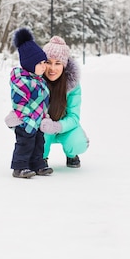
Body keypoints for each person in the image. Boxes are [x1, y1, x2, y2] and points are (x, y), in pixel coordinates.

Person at [7, 27, 53, 179]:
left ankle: (37, 164)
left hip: (38, 118)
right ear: (29, 64)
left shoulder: (38, 80)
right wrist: (25, 116)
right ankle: (19, 167)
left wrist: (44, 116)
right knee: (25, 143)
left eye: (44, 62)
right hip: (25, 120)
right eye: (40, 63)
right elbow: (18, 100)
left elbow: (43, 101)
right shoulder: (22, 81)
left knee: (39, 142)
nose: (44, 66)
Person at [39, 36, 89, 168]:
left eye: (58, 63)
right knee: (38, 138)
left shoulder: (72, 86)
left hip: (64, 127)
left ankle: (71, 154)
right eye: (48, 62)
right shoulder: (35, 82)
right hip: (42, 128)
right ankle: (40, 157)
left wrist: (57, 126)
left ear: (64, 65)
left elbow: (74, 117)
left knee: (77, 143)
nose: (52, 68)